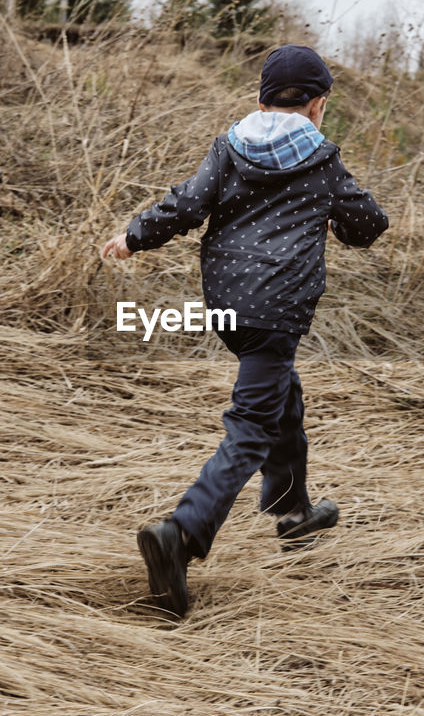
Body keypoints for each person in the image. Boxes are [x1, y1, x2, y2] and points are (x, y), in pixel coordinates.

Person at [100, 44, 389, 617]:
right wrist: (335, 218)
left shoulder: (230, 146)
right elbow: (369, 223)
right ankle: (181, 534)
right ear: (317, 105)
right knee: (253, 422)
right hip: (278, 309)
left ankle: (293, 509)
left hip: (228, 305)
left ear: (260, 99)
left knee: (282, 395)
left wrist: (133, 236)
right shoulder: (323, 159)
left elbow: (187, 204)